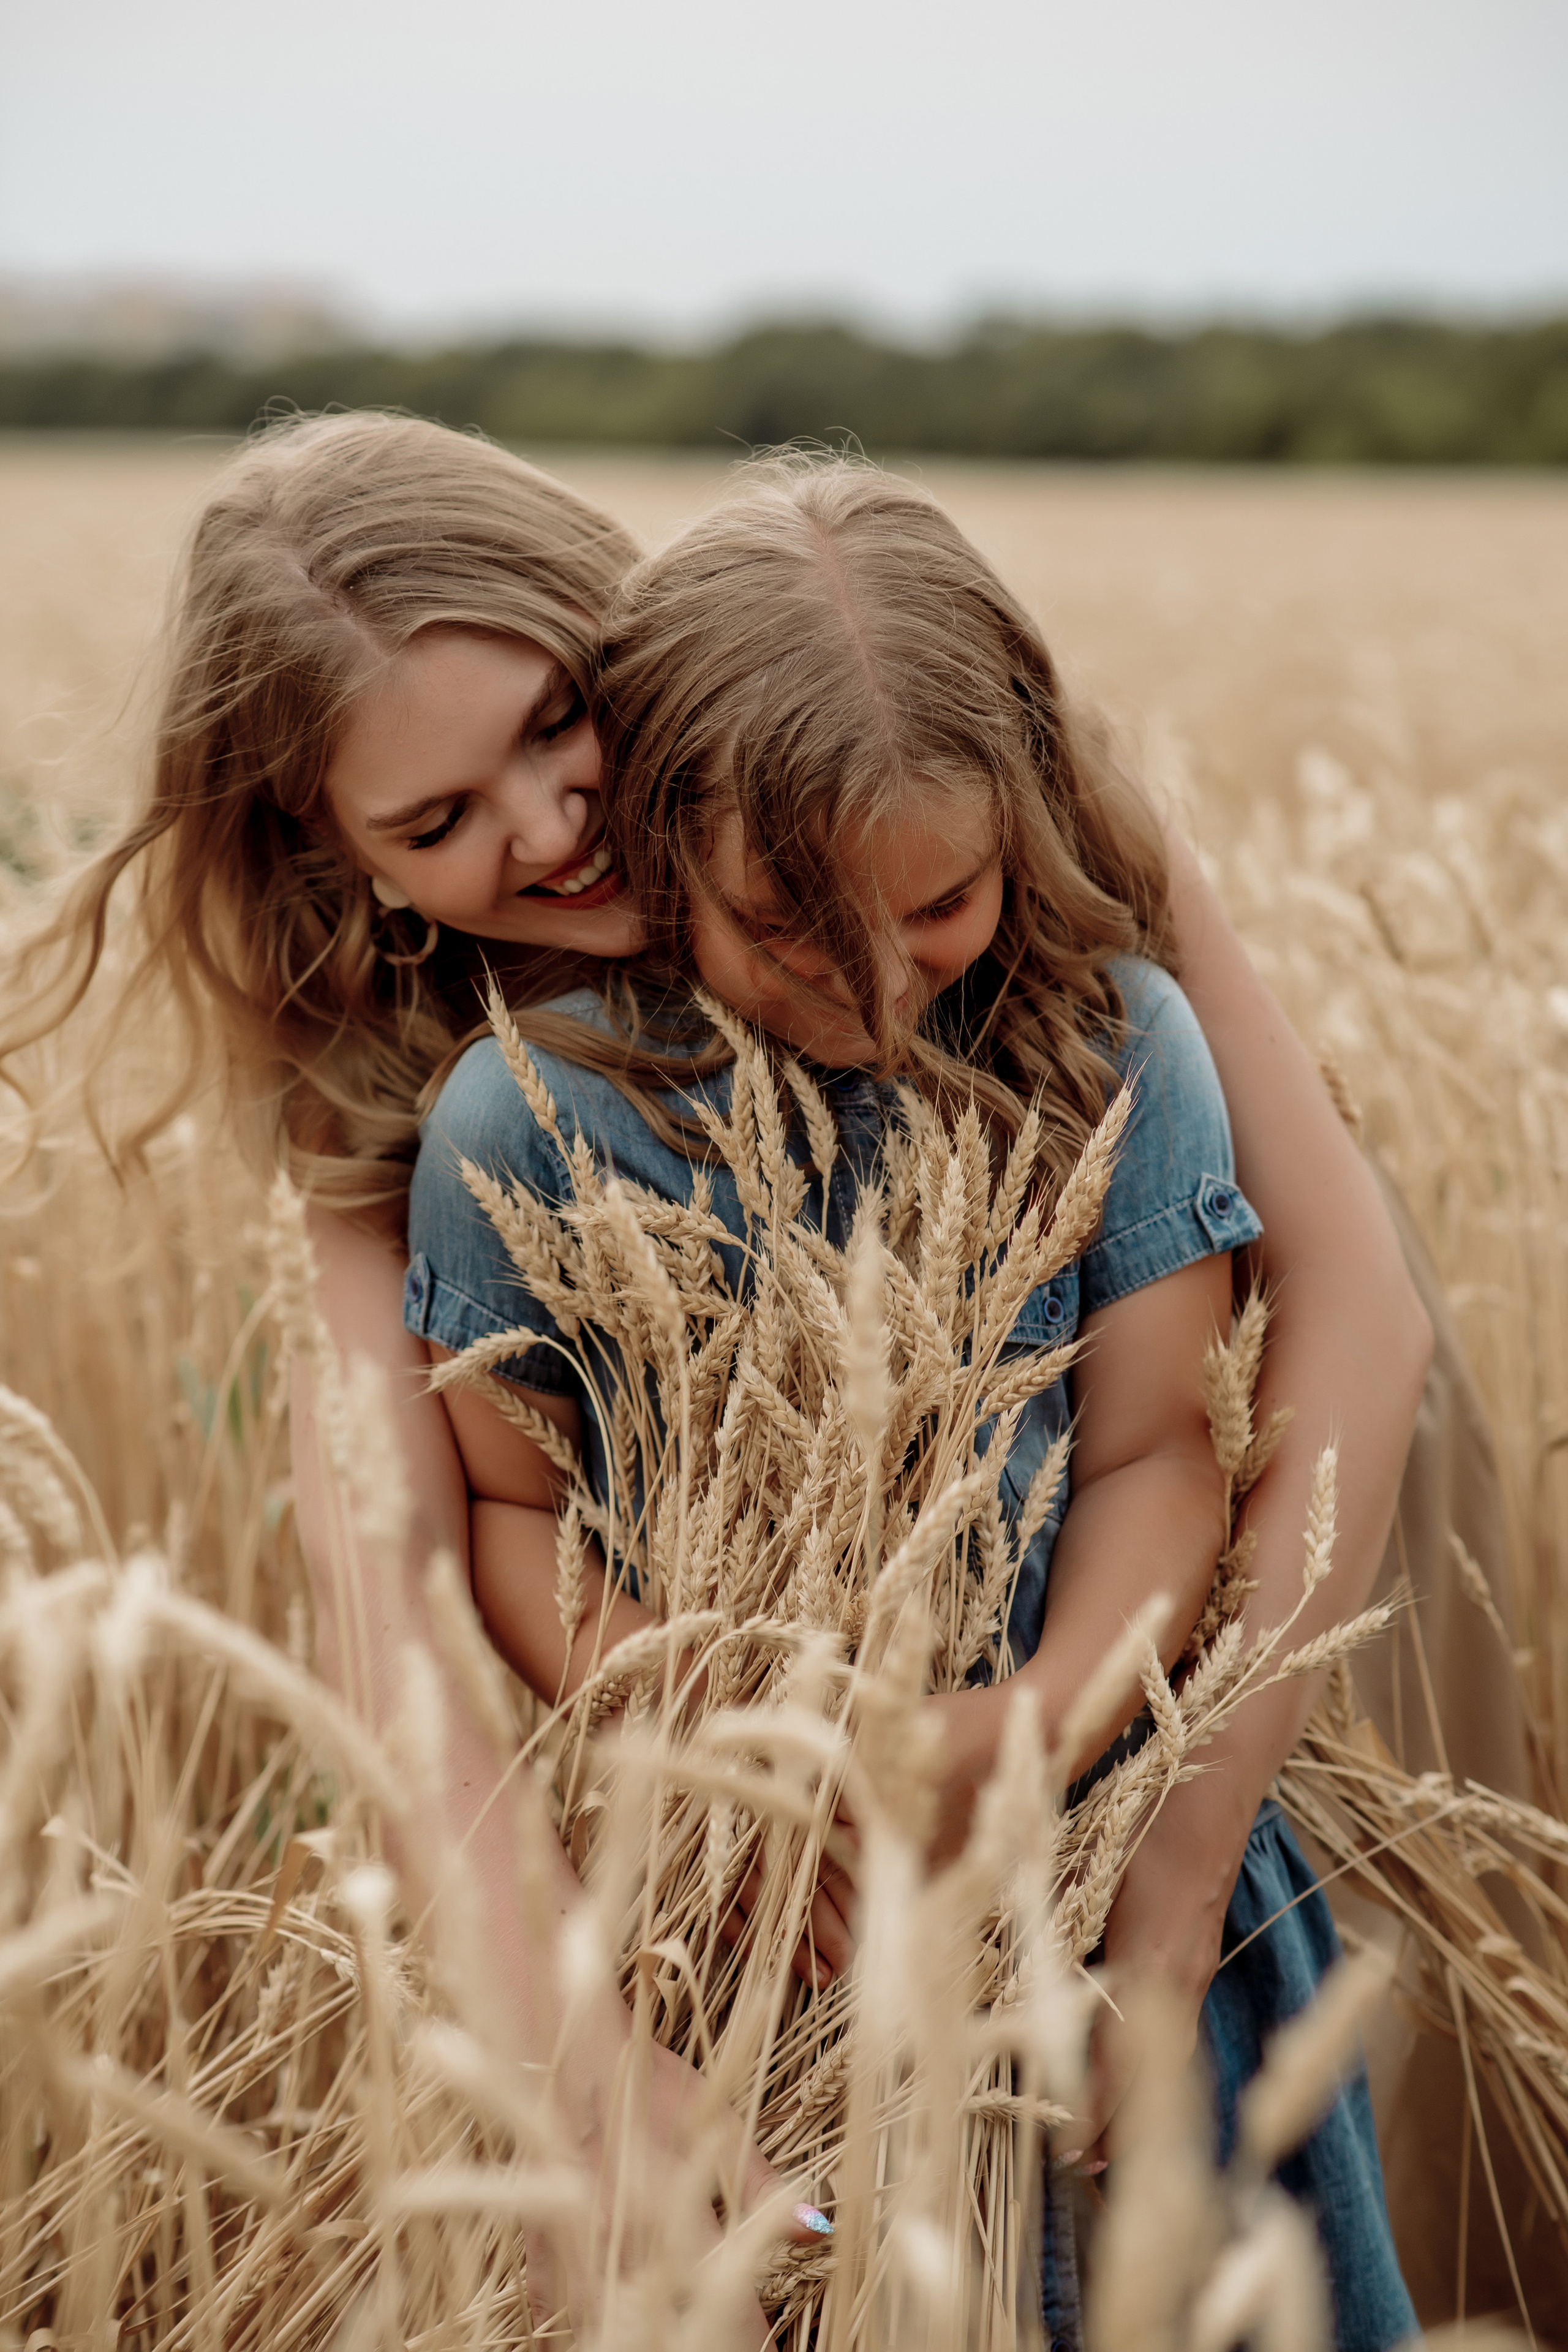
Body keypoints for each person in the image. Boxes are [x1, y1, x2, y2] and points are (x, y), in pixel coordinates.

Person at [1, 415, 1431, 2340]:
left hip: (1176, 1676)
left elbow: (1344, 1312)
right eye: (433, 824)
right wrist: (594, 2062)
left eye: (555, 724)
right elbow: (400, 1597)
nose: (546, 828)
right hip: (732, 1871)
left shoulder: (935, 798)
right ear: (347, 867)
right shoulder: (433, 1095)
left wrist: (1165, 1870)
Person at [401, 455, 1419, 2346]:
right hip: (740, 1932)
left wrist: (1037, 1722)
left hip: (1109, 1891)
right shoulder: (529, 1121)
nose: (871, 991)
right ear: (647, 852)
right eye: (784, 928)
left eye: (938, 903)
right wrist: (730, 1729)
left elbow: (1159, 1452)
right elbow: (511, 1517)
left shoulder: (1111, 1043)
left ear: (1018, 821)